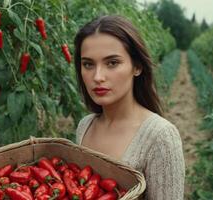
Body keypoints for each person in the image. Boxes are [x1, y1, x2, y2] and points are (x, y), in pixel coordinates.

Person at [74, 15, 185, 199]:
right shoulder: (85, 126)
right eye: (88, 64)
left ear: (137, 67)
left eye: (112, 63)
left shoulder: (160, 137)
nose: (98, 76)